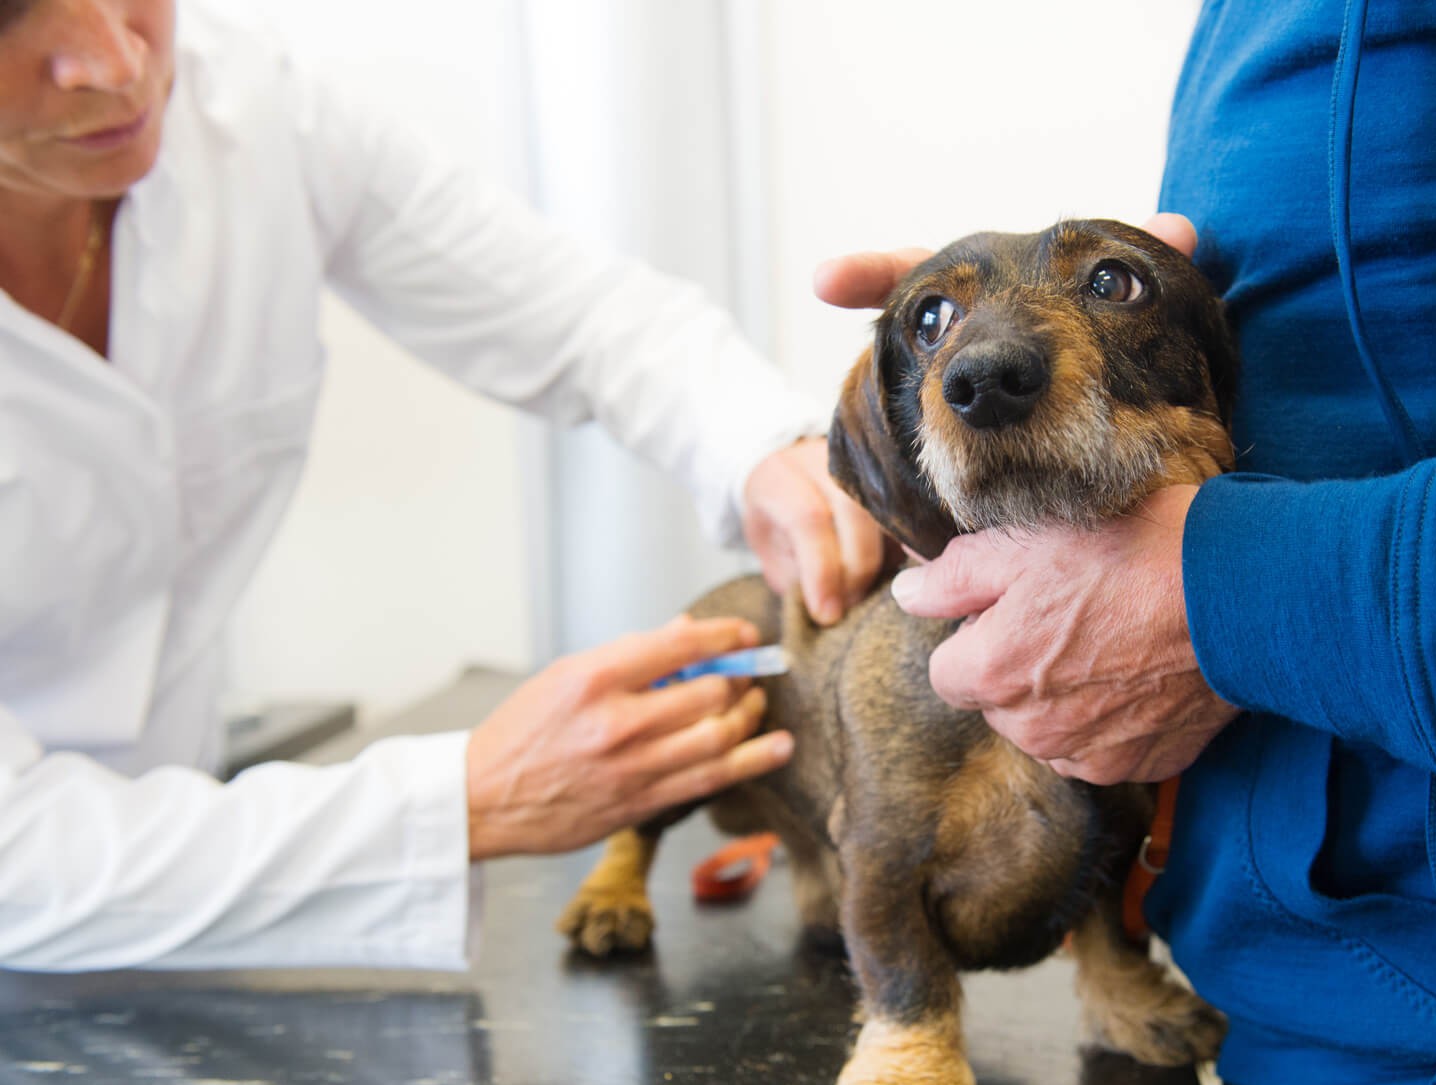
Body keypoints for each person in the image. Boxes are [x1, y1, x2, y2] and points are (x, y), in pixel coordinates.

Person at [0, 0, 885, 972]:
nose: (115, 59)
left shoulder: (246, 105)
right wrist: (465, 797)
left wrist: (775, 442)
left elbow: (576, 314)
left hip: (194, 893)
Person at [816, 2, 1436, 1085]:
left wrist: (1229, 589)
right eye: (938, 330)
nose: (978, 360)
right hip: (1276, 1033)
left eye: (1118, 289)